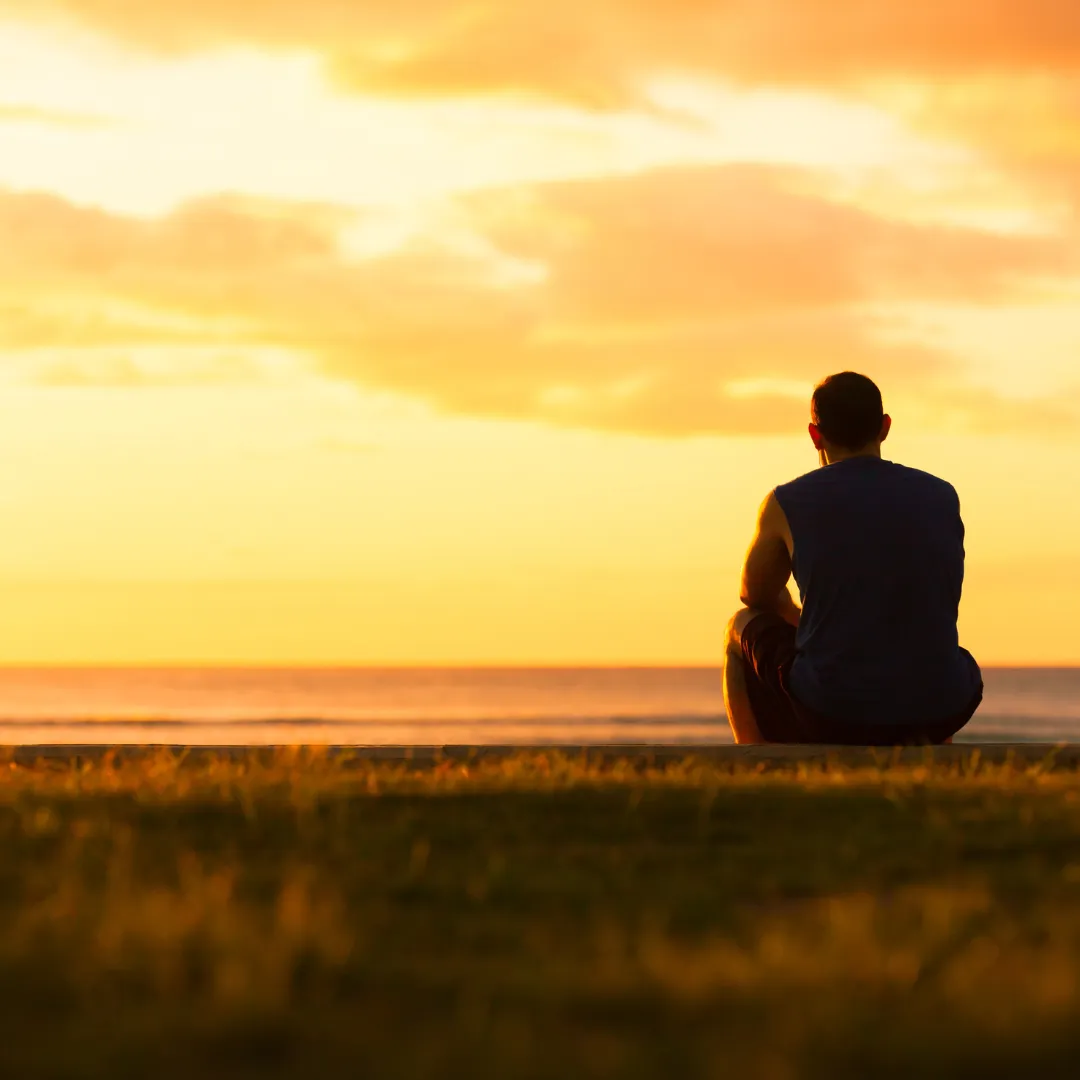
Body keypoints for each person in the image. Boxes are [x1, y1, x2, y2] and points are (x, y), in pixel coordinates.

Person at [723, 372, 983, 745]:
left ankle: (752, 764)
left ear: (815, 434)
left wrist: (798, 619)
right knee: (930, 646)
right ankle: (930, 757)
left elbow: (754, 596)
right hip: (945, 706)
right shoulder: (942, 495)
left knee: (740, 623)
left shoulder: (787, 501)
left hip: (834, 711)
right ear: (884, 427)